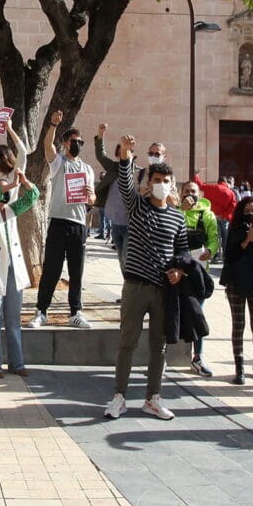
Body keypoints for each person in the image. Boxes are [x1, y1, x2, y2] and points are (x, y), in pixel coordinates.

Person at [103, 134, 188, 421]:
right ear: (149, 182)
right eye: (156, 180)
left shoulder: (177, 217)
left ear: (172, 184)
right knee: (127, 342)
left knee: (158, 346)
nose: (161, 185)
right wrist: (125, 155)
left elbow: (183, 251)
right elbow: (125, 187)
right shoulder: (138, 208)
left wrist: (180, 269)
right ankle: (119, 396)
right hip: (136, 286)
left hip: (163, 289)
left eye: (166, 181)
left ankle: (153, 397)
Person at [30, 110, 96, 329]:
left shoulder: (87, 169)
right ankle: (41, 311)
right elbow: (47, 146)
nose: (78, 144)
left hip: (79, 224)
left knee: (77, 271)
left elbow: (93, 198)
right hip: (58, 221)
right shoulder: (58, 163)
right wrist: (53, 125)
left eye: (81, 142)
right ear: (66, 143)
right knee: (52, 269)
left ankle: (76, 312)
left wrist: (90, 196)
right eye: (74, 141)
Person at [0, 154, 37, 378]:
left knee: (13, 317)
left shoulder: (11, 212)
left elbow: (33, 196)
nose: (6, 193)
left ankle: (17, 363)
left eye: (8, 191)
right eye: (2, 190)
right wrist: (9, 183)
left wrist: (24, 180)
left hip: (14, 270)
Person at [222, 193, 253, 384]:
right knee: (238, 326)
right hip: (236, 282)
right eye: (247, 210)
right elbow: (229, 256)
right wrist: (246, 241)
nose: (250, 214)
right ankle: (239, 367)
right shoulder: (234, 229)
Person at [179, 181, 220, 376]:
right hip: (178, 268)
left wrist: (211, 250)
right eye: (186, 191)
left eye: (193, 191)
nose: (190, 194)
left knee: (197, 312)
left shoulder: (207, 214)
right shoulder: (175, 212)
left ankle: (198, 356)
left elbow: (214, 237)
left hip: (199, 270)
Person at [94, 125, 130, 266]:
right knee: (121, 259)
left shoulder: (137, 172)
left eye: (127, 151)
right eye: (121, 152)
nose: (125, 154)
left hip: (131, 224)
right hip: (115, 223)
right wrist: (100, 135)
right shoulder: (113, 168)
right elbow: (100, 155)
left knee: (127, 259)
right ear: (117, 155)